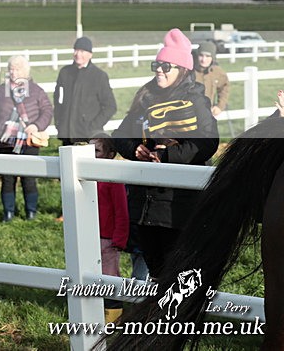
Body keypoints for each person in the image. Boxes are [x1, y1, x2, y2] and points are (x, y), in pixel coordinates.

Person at [112, 28, 218, 279]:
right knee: (156, 271)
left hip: (179, 205)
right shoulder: (145, 97)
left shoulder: (195, 100)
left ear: (181, 69)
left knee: (180, 274)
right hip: (144, 205)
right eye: (156, 65)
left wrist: (169, 156)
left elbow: (208, 141)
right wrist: (133, 149)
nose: (159, 70)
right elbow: (120, 135)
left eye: (165, 66)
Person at [0, 55, 52, 221]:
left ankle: (31, 212)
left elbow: (47, 110)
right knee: (7, 178)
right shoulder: (1, 90)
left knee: (29, 178)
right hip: (5, 142)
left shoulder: (36, 91)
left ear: (26, 71)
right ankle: (8, 213)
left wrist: (36, 126)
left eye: (17, 69)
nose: (13, 72)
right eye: (11, 69)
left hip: (28, 141)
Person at [88, 134, 129, 324]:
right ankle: (92, 312)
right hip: (88, 234)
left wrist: (118, 239)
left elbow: (121, 210)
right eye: (89, 149)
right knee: (90, 274)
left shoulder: (113, 178)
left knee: (110, 277)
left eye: (96, 150)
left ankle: (113, 318)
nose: (91, 154)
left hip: (108, 238)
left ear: (110, 154)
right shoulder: (85, 175)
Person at [53, 36, 117, 145]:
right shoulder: (65, 73)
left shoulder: (99, 76)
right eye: (76, 50)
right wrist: (59, 122)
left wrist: (92, 127)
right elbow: (58, 100)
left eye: (82, 51)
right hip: (67, 135)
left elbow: (110, 106)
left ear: (90, 54)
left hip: (87, 137)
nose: (78, 54)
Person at [193, 41, 230, 117]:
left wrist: (220, 106)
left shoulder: (216, 71)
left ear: (212, 57)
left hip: (208, 115)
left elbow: (225, 86)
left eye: (207, 56)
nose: (203, 59)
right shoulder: (189, 71)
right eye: (201, 55)